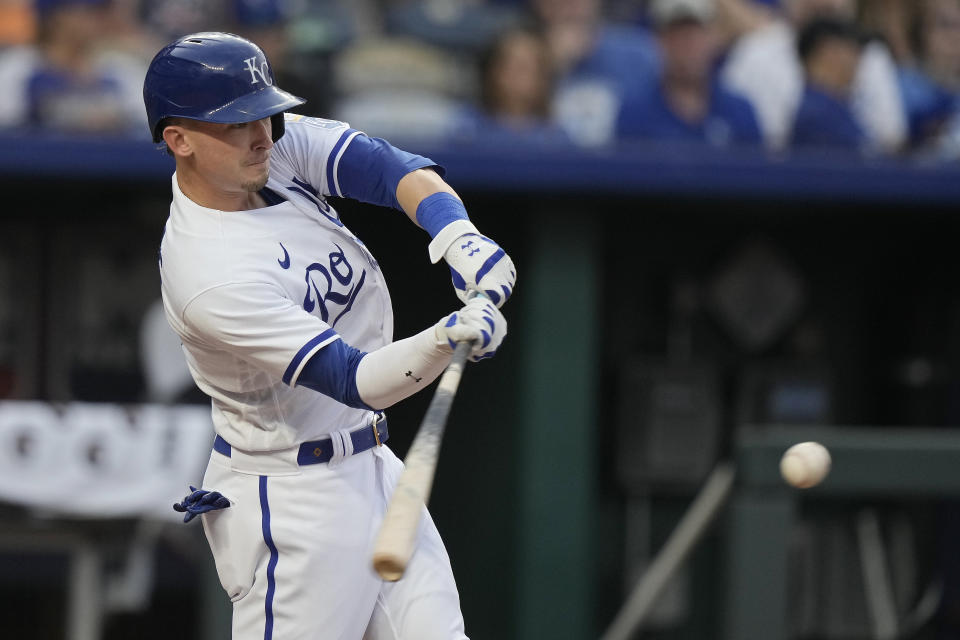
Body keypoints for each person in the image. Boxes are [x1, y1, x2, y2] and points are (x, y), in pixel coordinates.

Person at [143, 32, 516, 640]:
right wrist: (446, 338)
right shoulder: (208, 273)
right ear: (178, 140)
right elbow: (355, 380)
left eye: (264, 114)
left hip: (369, 461)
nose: (261, 134)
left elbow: (388, 168)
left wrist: (457, 235)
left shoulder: (272, 153)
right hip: (293, 497)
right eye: (236, 124)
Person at [719, 0, 906, 152]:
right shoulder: (818, 111)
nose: (855, 63)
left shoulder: (837, 103)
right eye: (849, 53)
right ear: (828, 54)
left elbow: (892, 139)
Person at [616, 0, 762, 147]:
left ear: (713, 39)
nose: (686, 46)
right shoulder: (634, 114)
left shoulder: (740, 112)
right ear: (659, 41)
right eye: (676, 36)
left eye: (695, 36)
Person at [0, 0, 146, 134]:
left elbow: (149, 129)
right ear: (55, 18)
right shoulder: (17, 69)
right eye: (85, 10)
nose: (96, 19)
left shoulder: (121, 70)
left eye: (99, 11)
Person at [790, 17, 866, 150]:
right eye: (853, 49)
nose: (858, 59)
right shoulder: (819, 114)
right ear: (828, 51)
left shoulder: (835, 107)